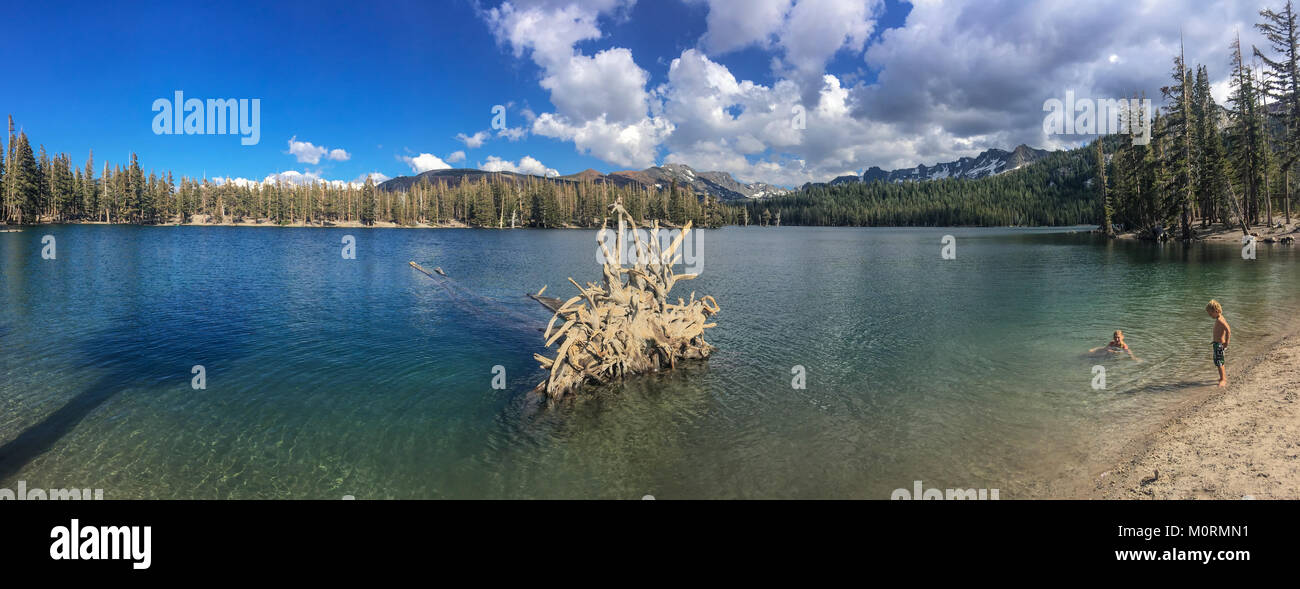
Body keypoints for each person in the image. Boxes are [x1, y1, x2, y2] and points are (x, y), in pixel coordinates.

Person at [1207, 300, 1232, 387]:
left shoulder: (1220, 320)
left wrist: (1226, 343)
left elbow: (1228, 330)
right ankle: (1223, 377)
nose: (1210, 316)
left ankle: (1223, 379)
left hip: (1220, 344)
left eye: (1211, 314)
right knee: (1219, 361)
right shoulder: (1219, 318)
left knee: (1219, 362)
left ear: (1216, 311)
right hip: (1217, 344)